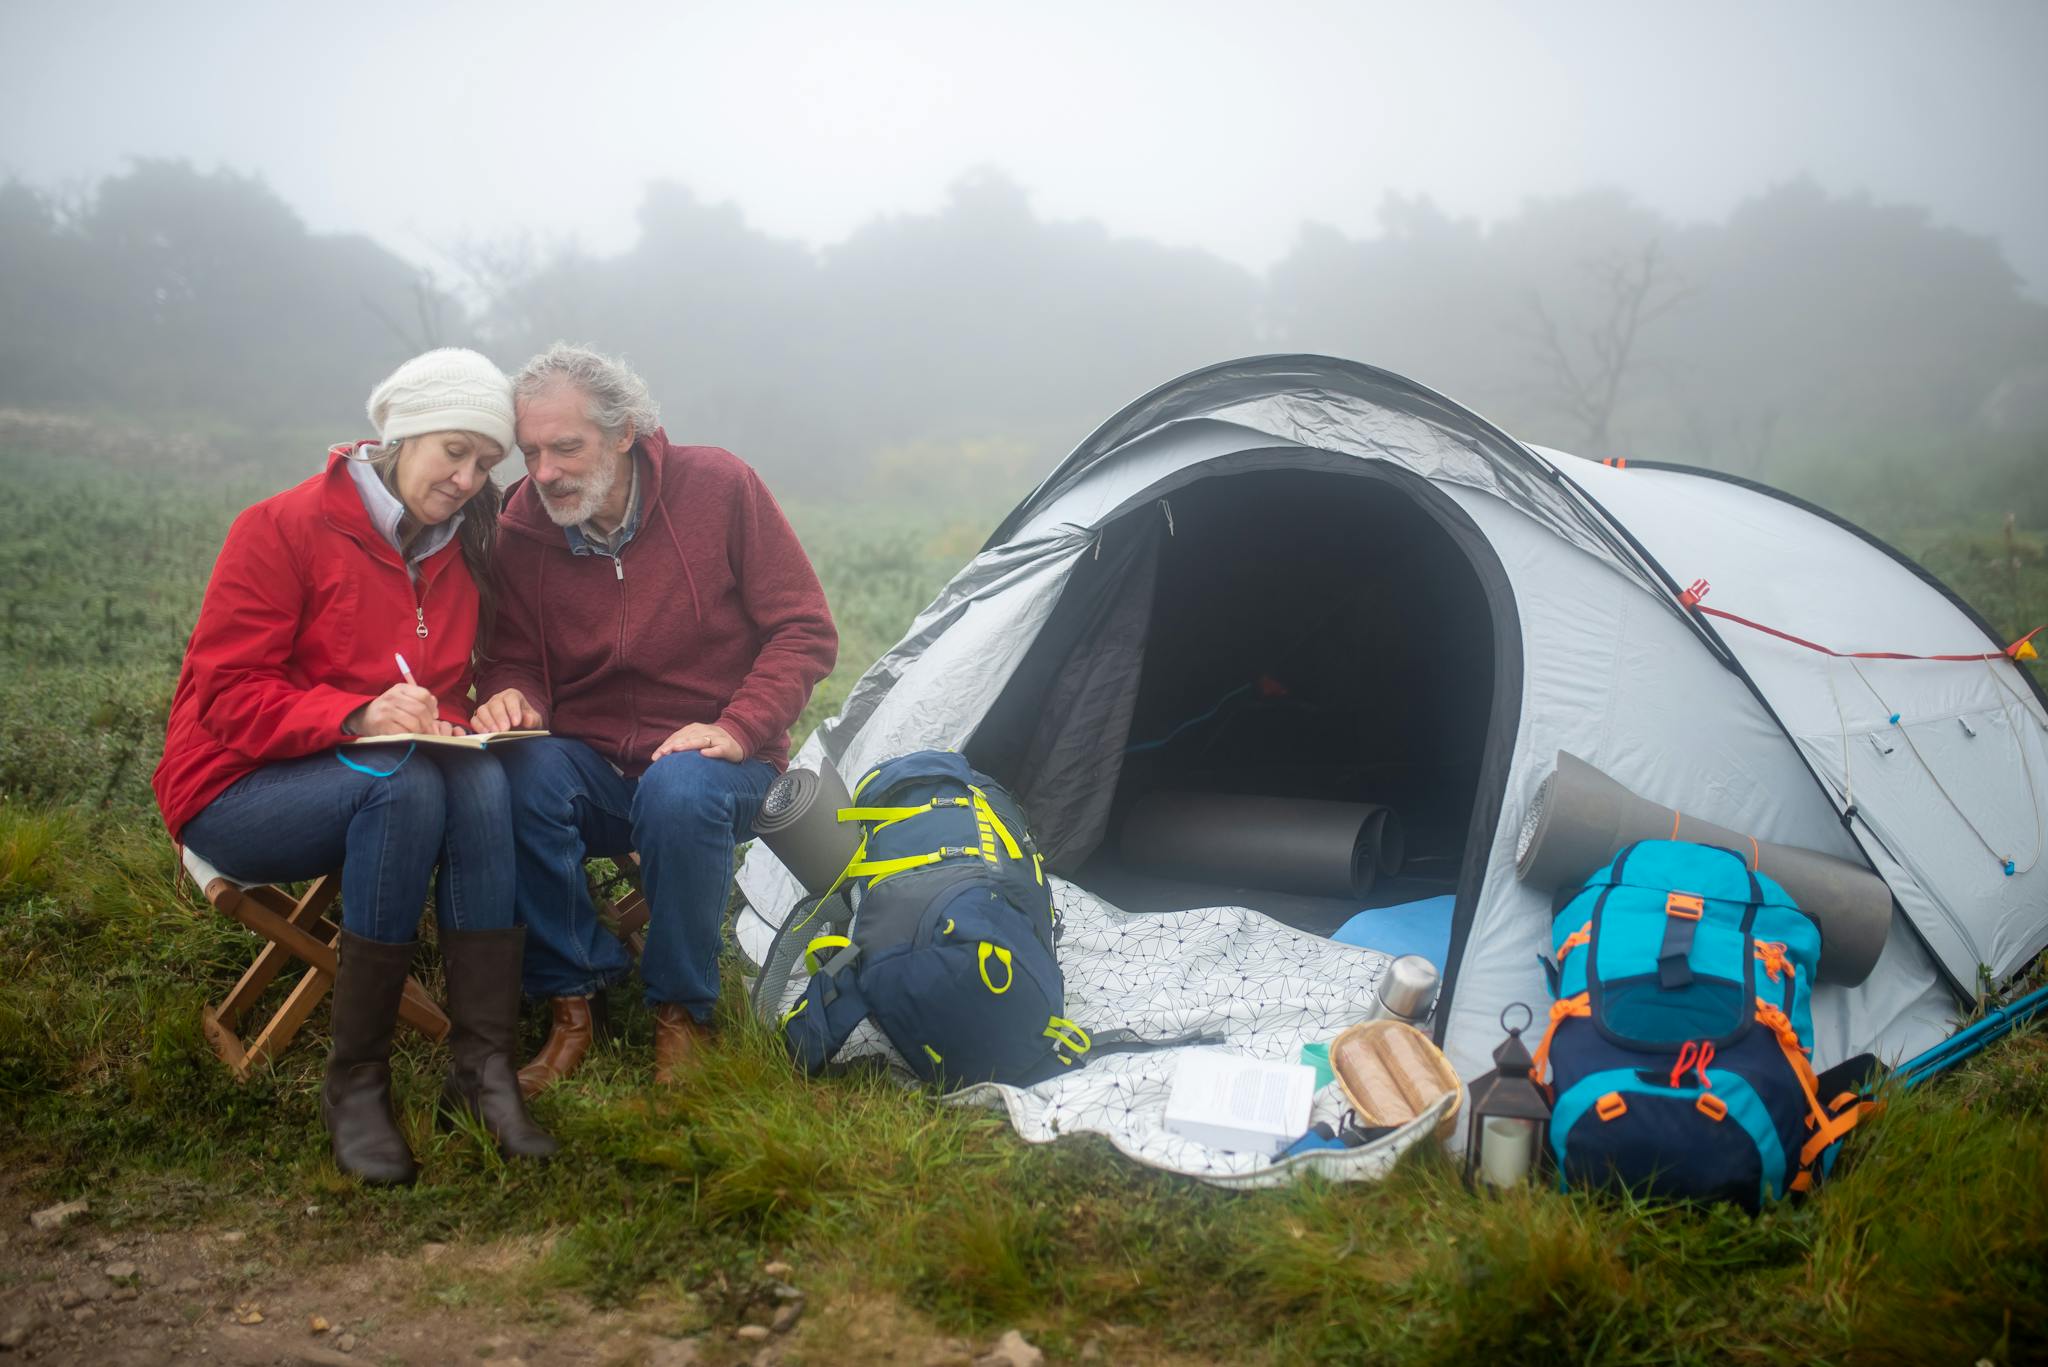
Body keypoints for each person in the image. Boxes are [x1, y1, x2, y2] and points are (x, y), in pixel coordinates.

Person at [153, 348, 557, 1186]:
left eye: (485, 464)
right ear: (402, 433)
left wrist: (491, 702)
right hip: (235, 786)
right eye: (455, 449)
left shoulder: (458, 553)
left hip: (367, 777)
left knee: (480, 776)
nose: (467, 477)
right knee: (404, 788)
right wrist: (355, 714)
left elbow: (461, 679)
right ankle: (357, 1084)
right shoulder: (281, 527)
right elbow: (225, 693)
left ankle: (481, 1072)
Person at [472, 343, 837, 1092]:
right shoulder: (522, 520)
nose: (543, 472)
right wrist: (512, 693)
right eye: (531, 451)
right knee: (514, 771)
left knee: (677, 789)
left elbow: (805, 629)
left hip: (721, 769)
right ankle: (574, 998)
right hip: (594, 763)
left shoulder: (721, 486)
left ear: (624, 432)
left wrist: (737, 726)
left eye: (565, 447)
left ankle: (682, 1011)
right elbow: (509, 655)